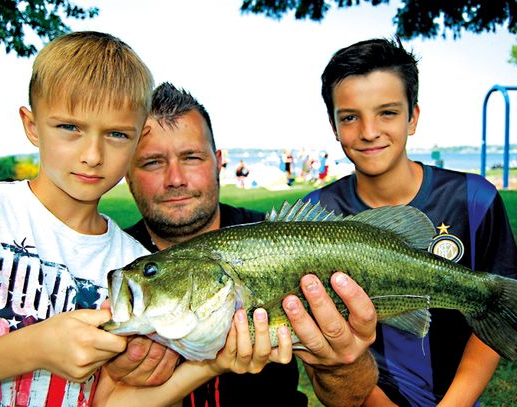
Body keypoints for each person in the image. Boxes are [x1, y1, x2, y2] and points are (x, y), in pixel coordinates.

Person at [0, 31, 293, 407]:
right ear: (32, 125)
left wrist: (212, 365)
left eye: (117, 134)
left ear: (136, 142)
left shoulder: (136, 265)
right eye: (70, 127)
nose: (92, 154)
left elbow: (110, 401)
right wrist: (31, 349)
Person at [115, 81, 379, 406]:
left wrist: (341, 361)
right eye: (153, 162)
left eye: (191, 157)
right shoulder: (114, 258)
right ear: (127, 173)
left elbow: (349, 397)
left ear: (218, 162)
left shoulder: (278, 238)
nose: (175, 178)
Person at [304, 37, 517, 406]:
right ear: (333, 125)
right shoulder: (316, 213)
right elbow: (320, 344)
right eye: (350, 117)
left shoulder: (474, 198)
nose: (369, 131)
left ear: (413, 117)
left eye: (387, 112)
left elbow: (499, 309)